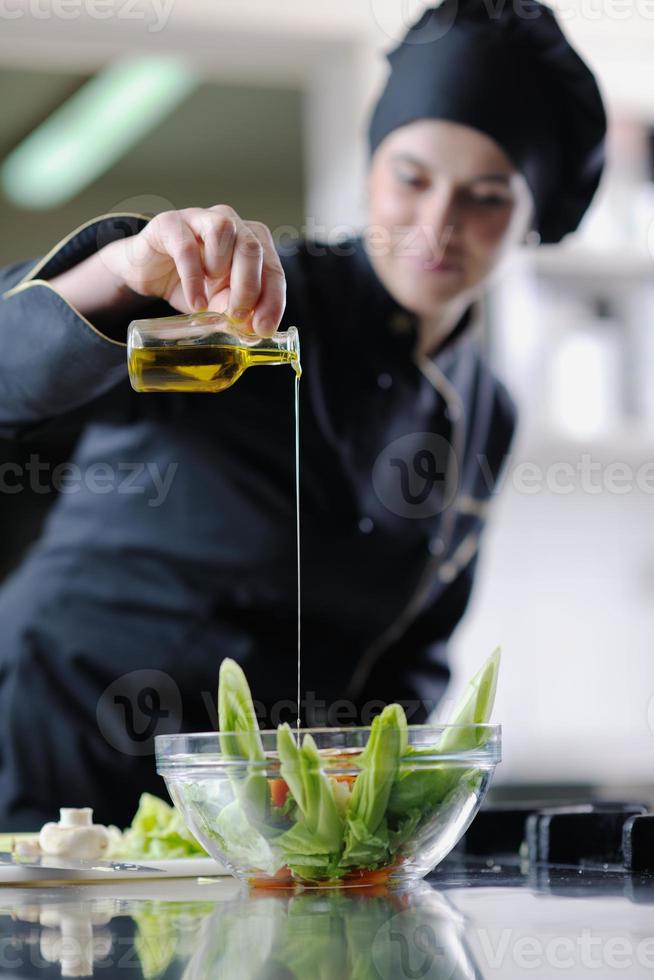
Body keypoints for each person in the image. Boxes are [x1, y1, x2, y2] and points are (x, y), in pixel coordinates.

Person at [0, 0, 605, 830]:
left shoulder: (486, 413)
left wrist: (386, 822)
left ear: (533, 218)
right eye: (413, 177)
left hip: (256, 828)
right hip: (51, 767)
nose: (437, 225)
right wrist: (123, 270)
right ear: (369, 168)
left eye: (488, 196)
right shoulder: (241, 300)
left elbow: (407, 661)